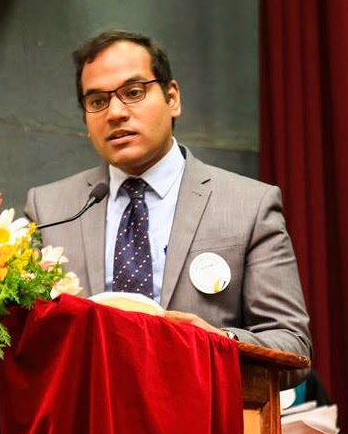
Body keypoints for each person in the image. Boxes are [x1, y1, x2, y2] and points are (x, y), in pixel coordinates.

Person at [24, 29, 310, 362]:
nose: (115, 113)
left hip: (198, 393)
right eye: (97, 101)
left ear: (172, 98)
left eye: (133, 92)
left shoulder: (248, 206)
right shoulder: (50, 211)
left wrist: (216, 343)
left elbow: (292, 345)